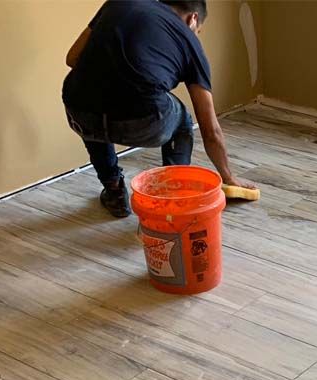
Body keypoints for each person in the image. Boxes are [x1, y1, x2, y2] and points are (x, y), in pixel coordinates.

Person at [62, 0, 256, 218]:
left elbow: (72, 58)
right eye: (198, 30)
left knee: (89, 92)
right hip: (142, 121)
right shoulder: (189, 41)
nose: (196, 35)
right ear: (193, 19)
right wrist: (229, 177)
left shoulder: (119, 3)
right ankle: (171, 202)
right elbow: (210, 129)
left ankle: (114, 189)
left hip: (80, 114)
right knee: (183, 122)